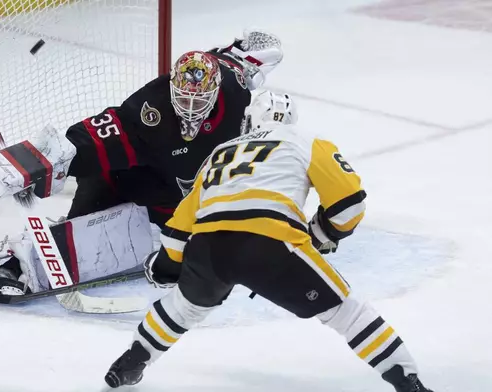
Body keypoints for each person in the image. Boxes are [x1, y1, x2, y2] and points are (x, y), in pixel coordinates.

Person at [103, 91, 434, 392]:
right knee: (346, 312)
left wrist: (165, 267)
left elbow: (178, 231)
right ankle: (408, 383)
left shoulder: (219, 153)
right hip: (268, 243)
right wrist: (322, 233)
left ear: (249, 120)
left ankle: (132, 362)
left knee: (183, 308)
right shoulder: (305, 141)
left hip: (208, 246)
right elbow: (350, 205)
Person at [0, 31, 297, 296]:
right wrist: (38, 160)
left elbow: (249, 52)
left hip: (173, 197)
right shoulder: (152, 111)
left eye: (198, 101)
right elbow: (98, 135)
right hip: (125, 180)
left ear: (215, 91)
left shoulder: (236, 88)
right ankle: (14, 267)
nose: (189, 108)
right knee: (85, 237)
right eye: (183, 98)